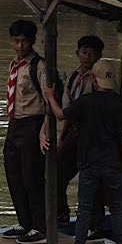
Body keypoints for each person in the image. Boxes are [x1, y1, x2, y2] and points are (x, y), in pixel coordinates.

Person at [43, 59, 122, 244]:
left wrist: (50, 96)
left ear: (94, 81)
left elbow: (60, 115)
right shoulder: (121, 103)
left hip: (89, 162)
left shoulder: (85, 102)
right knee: (116, 208)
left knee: (85, 209)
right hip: (113, 163)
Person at [1, 19, 48, 244]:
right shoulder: (14, 64)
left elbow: (50, 102)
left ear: (32, 41)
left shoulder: (39, 66)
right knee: (14, 174)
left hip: (33, 123)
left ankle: (41, 226)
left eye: (24, 41)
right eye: (16, 41)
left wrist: (43, 131)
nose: (20, 46)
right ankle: (25, 222)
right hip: (15, 123)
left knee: (32, 177)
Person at [50, 35, 105, 225]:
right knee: (57, 172)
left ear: (99, 57)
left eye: (92, 54)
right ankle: (61, 213)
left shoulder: (100, 80)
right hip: (74, 132)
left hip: (92, 135)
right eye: (84, 52)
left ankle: (95, 222)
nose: (87, 57)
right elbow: (68, 112)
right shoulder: (74, 77)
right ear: (77, 53)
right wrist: (62, 138)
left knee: (91, 179)